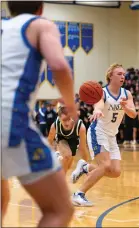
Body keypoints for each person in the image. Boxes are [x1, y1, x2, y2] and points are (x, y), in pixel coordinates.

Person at [2, 2, 77, 227]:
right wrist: (70, 104)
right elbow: (59, 65)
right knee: (59, 210)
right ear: (41, 8)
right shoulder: (40, 25)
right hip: (9, 116)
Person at [71, 63, 137, 206]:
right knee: (105, 164)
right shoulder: (102, 92)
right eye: (119, 74)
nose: (123, 76)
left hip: (111, 136)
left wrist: (126, 107)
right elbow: (98, 104)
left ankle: (85, 168)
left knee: (115, 172)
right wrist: (97, 110)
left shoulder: (127, 94)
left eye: (124, 74)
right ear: (110, 76)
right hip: (98, 131)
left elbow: (133, 114)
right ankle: (78, 194)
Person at [48, 106, 92, 175]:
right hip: (61, 138)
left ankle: (60, 174)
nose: (67, 123)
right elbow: (49, 141)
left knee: (68, 164)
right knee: (66, 156)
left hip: (74, 140)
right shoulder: (54, 126)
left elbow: (83, 148)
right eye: (64, 120)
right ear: (59, 118)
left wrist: (85, 166)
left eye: (69, 119)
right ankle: (61, 182)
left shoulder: (81, 127)